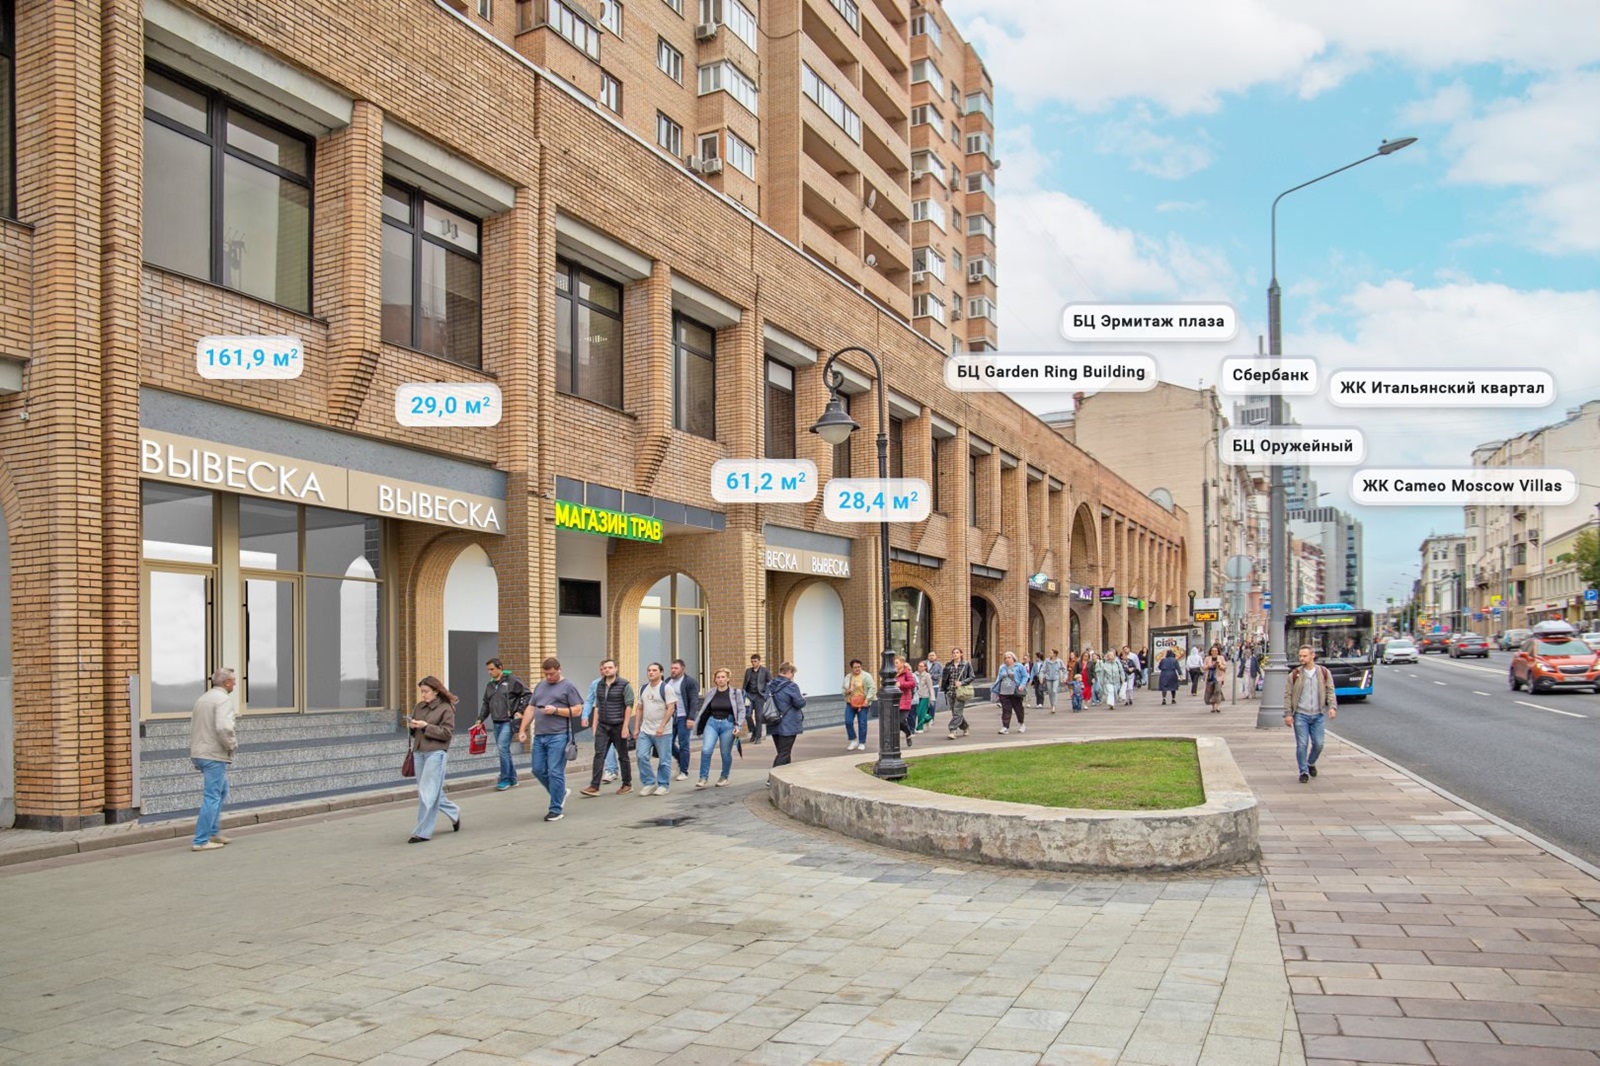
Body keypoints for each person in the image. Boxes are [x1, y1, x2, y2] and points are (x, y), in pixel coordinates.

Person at [517, 657, 584, 822]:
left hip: (559, 735)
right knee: (537, 769)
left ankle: (555, 809)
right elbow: (531, 708)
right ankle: (560, 792)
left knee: (555, 771)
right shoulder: (540, 686)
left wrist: (555, 710)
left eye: (552, 674)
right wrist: (523, 729)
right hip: (540, 735)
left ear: (559, 669)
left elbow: (577, 710)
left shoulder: (568, 686)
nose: (548, 677)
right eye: (546, 674)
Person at [405, 676, 460, 842]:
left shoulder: (446, 708)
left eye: (426, 691)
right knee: (428, 791)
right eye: (421, 692)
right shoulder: (419, 707)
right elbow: (414, 733)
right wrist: (412, 727)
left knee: (428, 792)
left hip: (436, 752)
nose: (423, 695)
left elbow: (447, 733)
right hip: (419, 752)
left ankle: (423, 832)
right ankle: (454, 812)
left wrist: (426, 727)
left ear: (436, 691)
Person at [189, 667, 238, 852]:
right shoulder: (223, 699)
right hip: (213, 754)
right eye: (233, 681)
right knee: (212, 796)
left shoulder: (203, 698)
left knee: (222, 790)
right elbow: (224, 727)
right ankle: (201, 840)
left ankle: (213, 832)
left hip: (199, 752)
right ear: (226, 683)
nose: (235, 684)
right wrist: (231, 745)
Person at [579, 660, 633, 797]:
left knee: (623, 756)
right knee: (599, 755)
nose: (607, 670)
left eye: (610, 667)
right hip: (603, 725)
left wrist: (625, 727)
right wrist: (594, 725)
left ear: (616, 668)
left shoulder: (624, 684)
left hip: (618, 724)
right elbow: (598, 706)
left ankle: (627, 784)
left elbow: (629, 706)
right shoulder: (598, 685)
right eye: (604, 668)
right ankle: (594, 786)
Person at [1284, 644, 1337, 783]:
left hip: (1318, 715)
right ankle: (1303, 772)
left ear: (1312, 656)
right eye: (1300, 656)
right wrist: (1288, 714)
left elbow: (1330, 690)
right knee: (1302, 744)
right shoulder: (1294, 674)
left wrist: (1332, 707)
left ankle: (1311, 762)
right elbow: (1288, 695)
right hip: (1301, 715)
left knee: (1319, 744)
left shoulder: (1324, 672)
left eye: (1304, 656)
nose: (1301, 658)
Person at [477, 658, 531, 792]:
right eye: (488, 670)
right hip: (496, 721)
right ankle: (512, 778)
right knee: (504, 750)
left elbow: (527, 694)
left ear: (500, 667)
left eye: (492, 669)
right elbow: (486, 703)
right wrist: (480, 719)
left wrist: (520, 711)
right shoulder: (490, 685)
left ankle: (504, 778)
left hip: (508, 721)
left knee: (502, 748)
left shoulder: (512, 681)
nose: (489, 672)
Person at [695, 667, 748, 787]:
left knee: (725, 753)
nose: (720, 679)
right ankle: (703, 777)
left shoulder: (735, 693)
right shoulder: (710, 692)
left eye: (723, 677)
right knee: (706, 749)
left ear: (728, 679)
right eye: (718, 677)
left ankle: (724, 777)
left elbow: (741, 710)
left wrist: (738, 726)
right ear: (715, 679)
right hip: (712, 723)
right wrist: (699, 723)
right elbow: (705, 709)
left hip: (728, 724)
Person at [630, 662, 677, 796]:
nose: (651, 672)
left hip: (663, 731)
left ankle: (663, 785)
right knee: (641, 755)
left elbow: (670, 708)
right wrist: (636, 727)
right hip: (646, 729)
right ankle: (649, 782)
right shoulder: (643, 688)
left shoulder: (666, 688)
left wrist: (662, 726)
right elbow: (639, 708)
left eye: (654, 670)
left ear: (661, 673)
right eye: (649, 670)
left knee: (664, 759)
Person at [666, 660, 700, 782]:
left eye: (676, 668)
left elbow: (694, 700)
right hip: (670, 717)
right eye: (672, 668)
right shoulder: (667, 681)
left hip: (683, 716)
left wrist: (691, 718)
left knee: (683, 744)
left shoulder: (689, 682)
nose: (673, 670)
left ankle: (684, 771)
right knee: (668, 743)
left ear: (683, 669)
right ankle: (681, 760)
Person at [767, 662, 806, 767]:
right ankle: (773, 775)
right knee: (784, 753)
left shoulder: (770, 685)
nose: (792, 676)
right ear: (789, 672)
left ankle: (785, 773)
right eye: (792, 674)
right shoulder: (791, 686)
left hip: (773, 721)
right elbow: (799, 703)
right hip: (788, 724)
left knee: (782, 752)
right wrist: (803, 699)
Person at [841, 659, 876, 751]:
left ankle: (862, 742)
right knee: (848, 721)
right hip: (850, 702)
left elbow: (872, 688)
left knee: (862, 722)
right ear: (852, 668)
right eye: (855, 667)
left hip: (863, 703)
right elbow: (843, 690)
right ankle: (853, 740)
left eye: (859, 667)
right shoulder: (848, 677)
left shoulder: (866, 676)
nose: (857, 669)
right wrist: (848, 691)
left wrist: (867, 700)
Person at [993, 651, 1029, 734]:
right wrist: (996, 690)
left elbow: (1025, 676)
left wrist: (1022, 685)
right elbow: (999, 678)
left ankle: (1021, 723)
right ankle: (1005, 726)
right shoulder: (1002, 667)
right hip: (1004, 691)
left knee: (1018, 708)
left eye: (1009, 657)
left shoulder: (1019, 666)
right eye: (1005, 658)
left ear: (1013, 658)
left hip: (1015, 690)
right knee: (1006, 709)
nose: (1007, 659)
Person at [943, 647, 973, 738]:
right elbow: (945, 678)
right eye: (953, 653)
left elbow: (972, 676)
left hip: (961, 692)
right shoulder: (948, 665)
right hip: (950, 691)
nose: (955, 654)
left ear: (961, 654)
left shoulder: (966, 664)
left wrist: (962, 682)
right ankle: (965, 727)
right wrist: (945, 688)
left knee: (957, 712)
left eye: (957, 652)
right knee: (956, 713)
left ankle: (953, 730)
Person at [742, 654, 770, 744]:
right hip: (749, 696)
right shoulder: (748, 671)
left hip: (759, 696)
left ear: (759, 661)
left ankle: (758, 737)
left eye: (755, 661)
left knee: (758, 717)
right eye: (752, 661)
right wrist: (743, 694)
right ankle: (753, 731)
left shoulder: (765, 671)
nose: (753, 663)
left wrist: (766, 695)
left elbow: (770, 683)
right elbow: (745, 684)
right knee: (747, 715)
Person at [1204, 644, 1228, 714]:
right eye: (1213, 651)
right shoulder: (1207, 658)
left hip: (1218, 677)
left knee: (1217, 690)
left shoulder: (1221, 658)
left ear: (1218, 651)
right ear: (1210, 652)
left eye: (1216, 651)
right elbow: (1204, 667)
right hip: (1210, 677)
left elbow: (1225, 666)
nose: (1214, 652)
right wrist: (1209, 666)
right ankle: (1213, 707)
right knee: (1210, 691)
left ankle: (1218, 706)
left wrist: (1219, 665)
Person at [914, 660, 935, 732]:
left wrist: (932, 698)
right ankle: (928, 718)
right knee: (917, 711)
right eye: (919, 666)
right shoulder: (915, 674)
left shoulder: (927, 675)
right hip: (917, 696)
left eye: (921, 666)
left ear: (925, 667)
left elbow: (930, 687)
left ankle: (920, 728)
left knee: (921, 712)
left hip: (925, 696)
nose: (919, 667)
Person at [927, 651, 945, 716]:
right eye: (930, 655)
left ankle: (931, 717)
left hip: (934, 686)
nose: (931, 657)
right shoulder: (924, 664)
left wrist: (932, 676)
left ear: (935, 656)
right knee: (925, 703)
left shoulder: (938, 665)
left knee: (932, 702)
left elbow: (940, 675)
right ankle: (925, 717)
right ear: (928, 657)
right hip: (925, 686)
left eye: (933, 655)